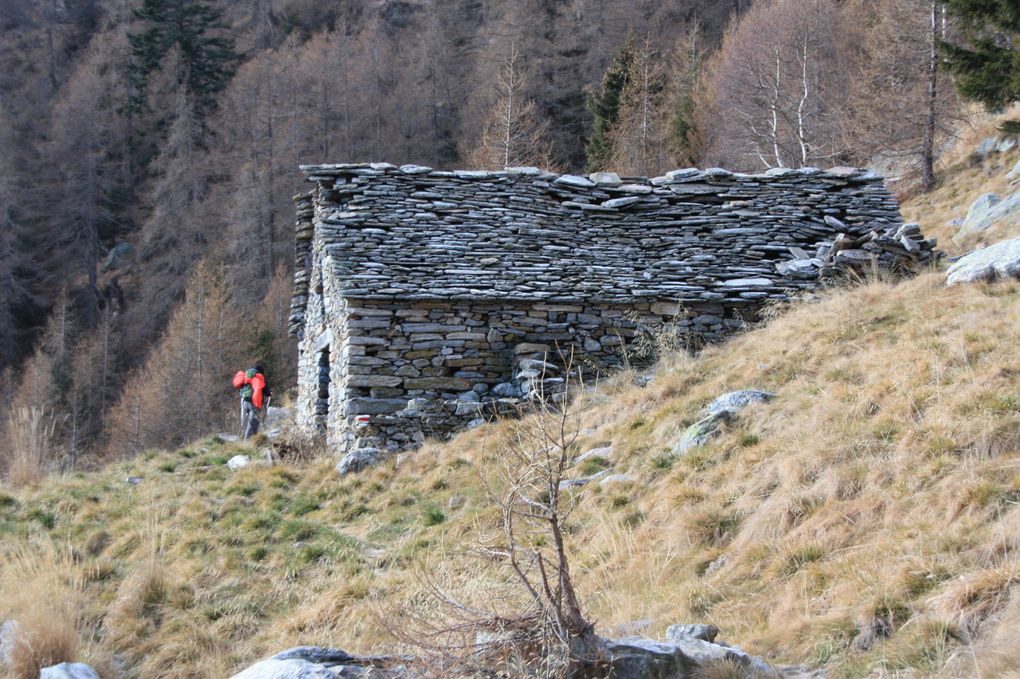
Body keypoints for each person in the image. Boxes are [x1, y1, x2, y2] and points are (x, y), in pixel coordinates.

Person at [232, 363, 270, 440]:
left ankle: (243, 438)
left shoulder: (247, 375)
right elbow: (267, 392)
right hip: (254, 403)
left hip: (244, 401)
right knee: (253, 423)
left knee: (247, 423)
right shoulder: (259, 376)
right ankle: (248, 443)